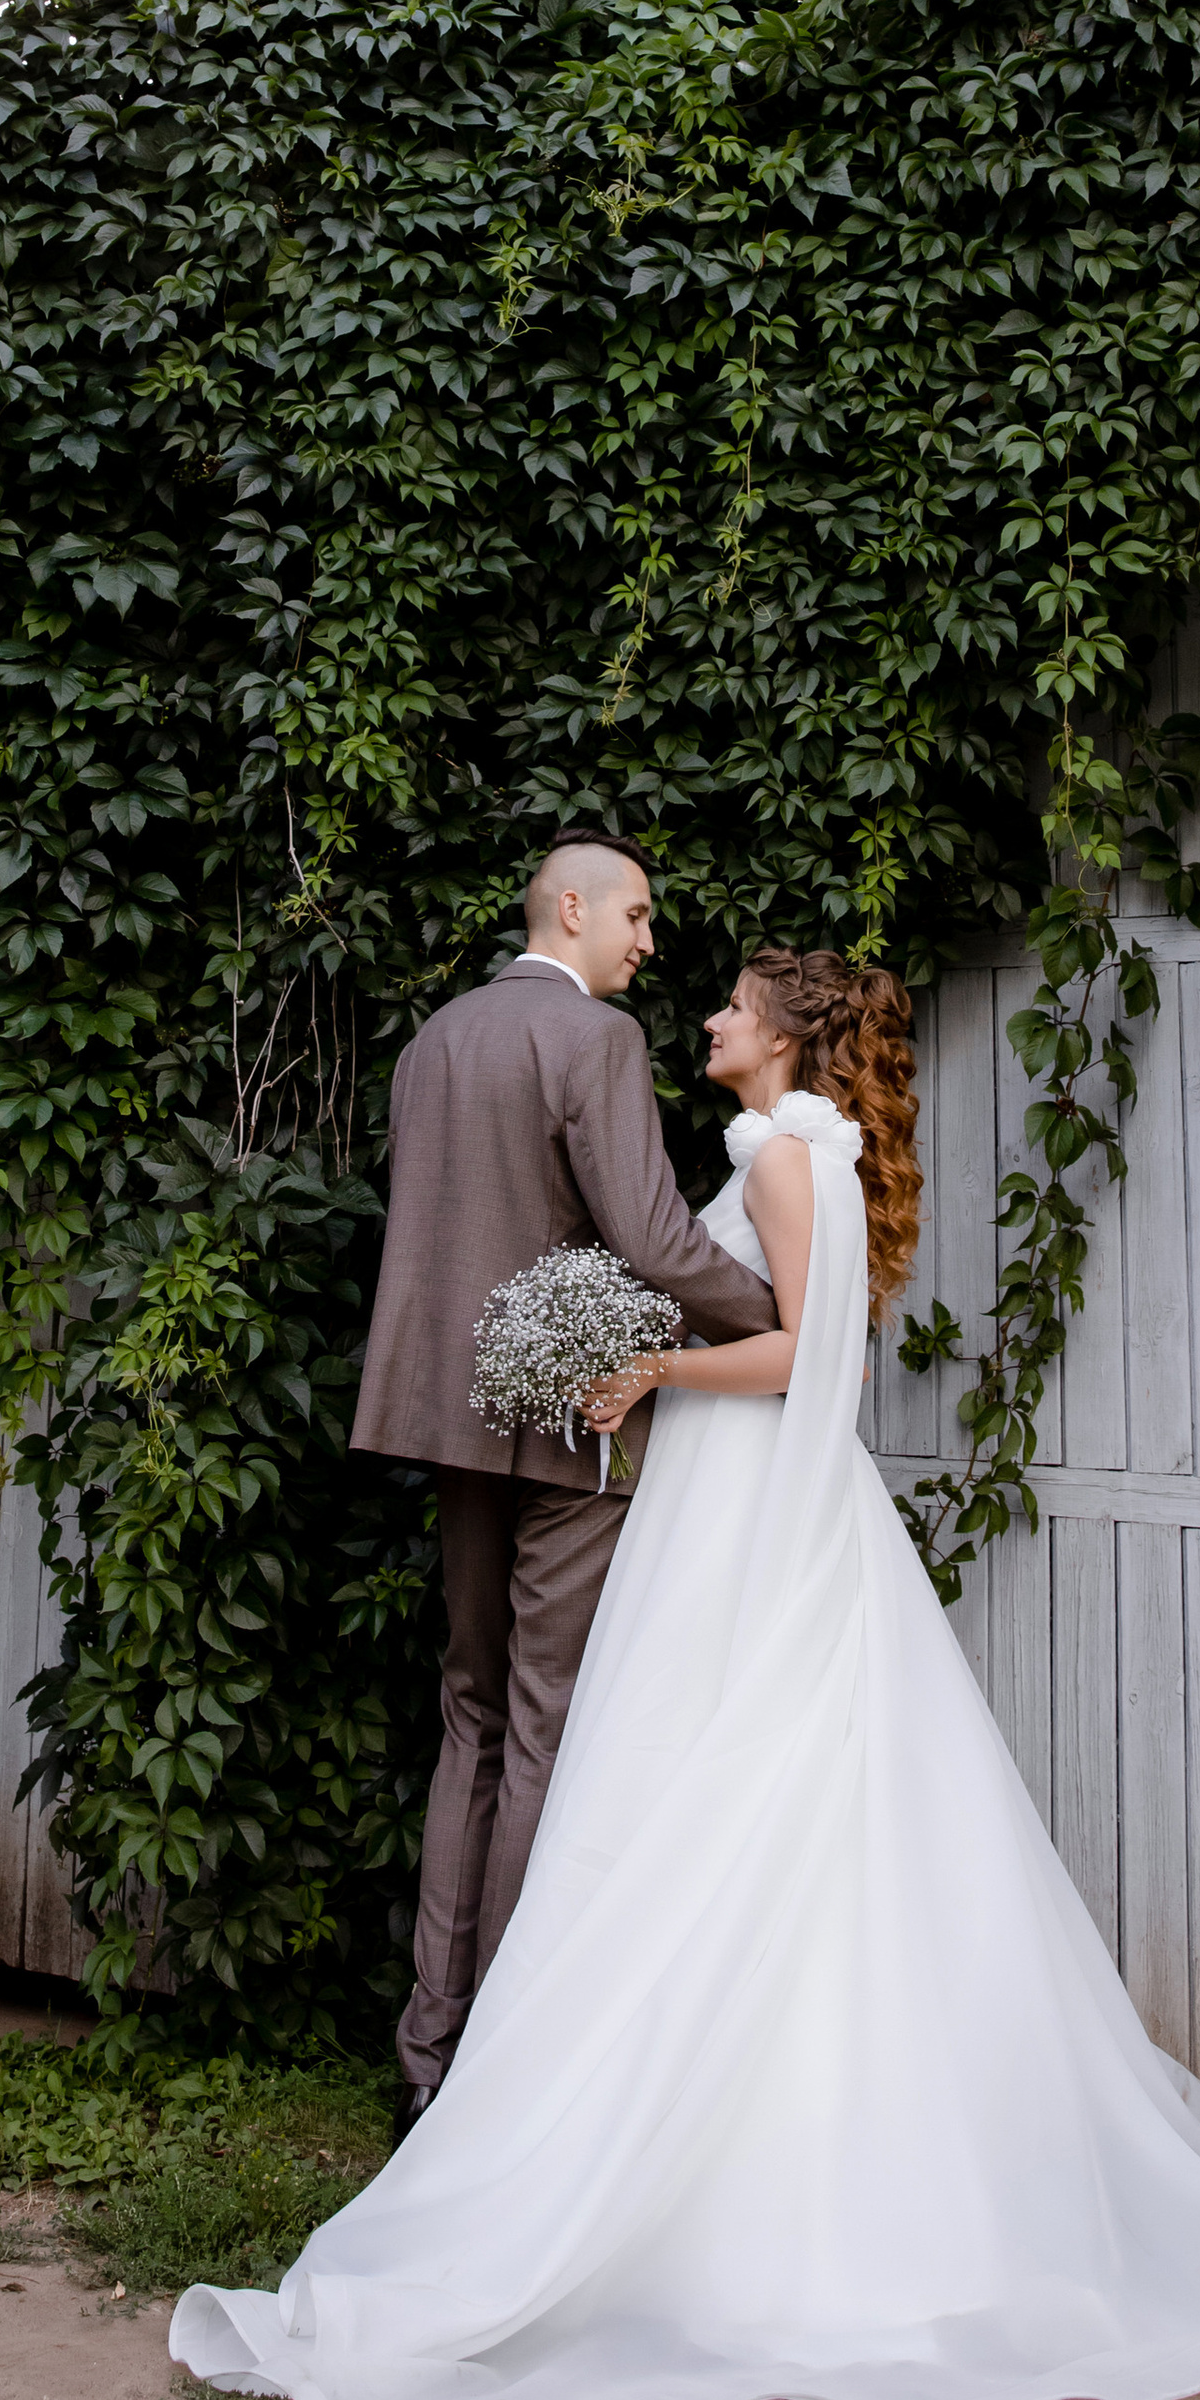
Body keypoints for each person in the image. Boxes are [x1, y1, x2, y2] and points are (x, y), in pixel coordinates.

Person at [172, 944, 1200, 2400]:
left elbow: (800, 1358)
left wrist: (651, 1370)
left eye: (733, 1006)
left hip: (746, 1498)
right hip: (740, 1501)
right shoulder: (791, 1148)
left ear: (782, 1036)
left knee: (710, 1789)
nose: (707, 1016)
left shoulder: (783, 1154)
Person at [349, 829, 780, 2120]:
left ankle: (429, 2056)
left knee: (471, 1713)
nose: (649, 942)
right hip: (570, 1420)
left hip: (447, 1416)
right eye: (637, 916)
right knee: (546, 1722)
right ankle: (504, 2068)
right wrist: (783, 1319)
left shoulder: (435, 1041)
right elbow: (649, 1234)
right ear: (574, 908)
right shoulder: (594, 1039)